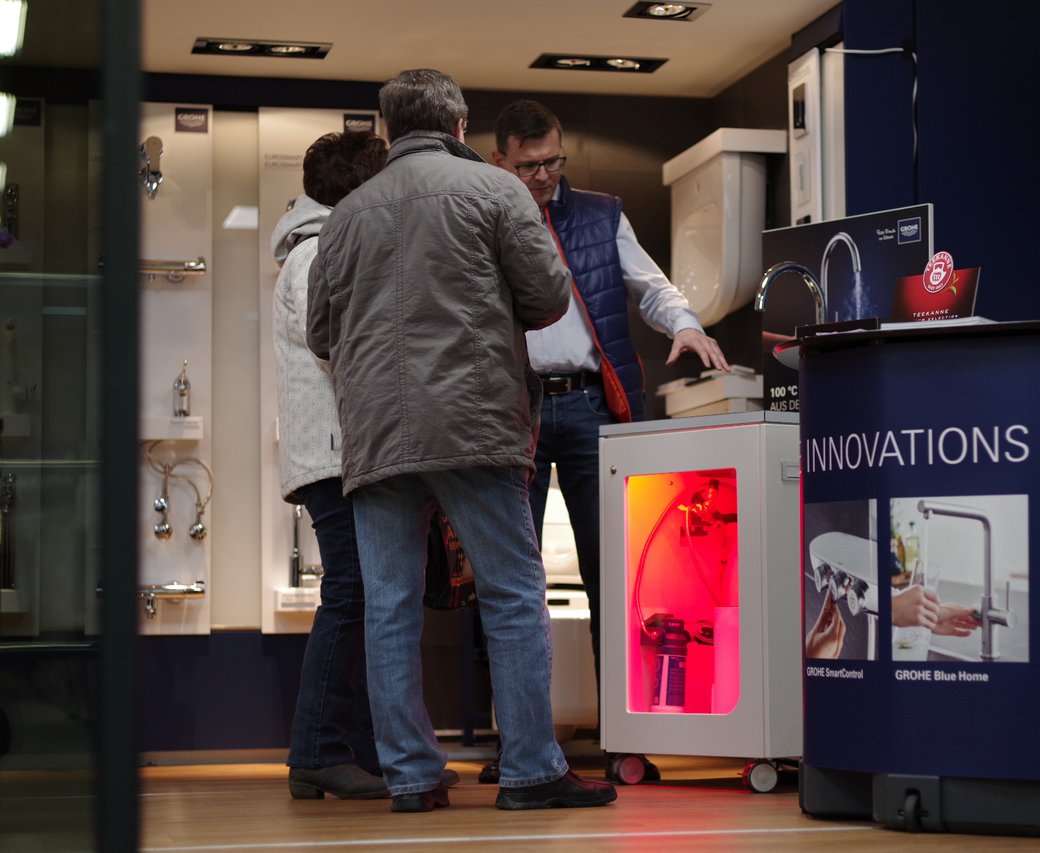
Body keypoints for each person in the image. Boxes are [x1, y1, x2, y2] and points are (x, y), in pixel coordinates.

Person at [307, 69, 616, 814]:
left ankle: (412, 779)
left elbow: (320, 332)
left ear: (388, 129)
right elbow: (548, 296)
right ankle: (531, 771)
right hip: (476, 424)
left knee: (389, 607)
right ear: (460, 124)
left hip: (378, 434)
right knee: (511, 594)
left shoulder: (344, 217)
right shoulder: (496, 190)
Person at [489, 99, 730, 781]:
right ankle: (521, 747)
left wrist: (686, 324)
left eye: (553, 162)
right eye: (529, 166)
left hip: (593, 404)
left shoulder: (600, 214)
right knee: (514, 584)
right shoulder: (486, 219)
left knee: (614, 579)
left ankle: (624, 739)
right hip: (517, 409)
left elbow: (650, 286)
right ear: (501, 161)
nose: (544, 176)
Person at [273, 130, 462, 800]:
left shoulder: (316, 247)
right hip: (335, 451)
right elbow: (342, 349)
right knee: (353, 592)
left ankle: (358, 748)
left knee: (361, 595)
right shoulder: (318, 252)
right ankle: (318, 750)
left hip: (334, 449)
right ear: (363, 188)